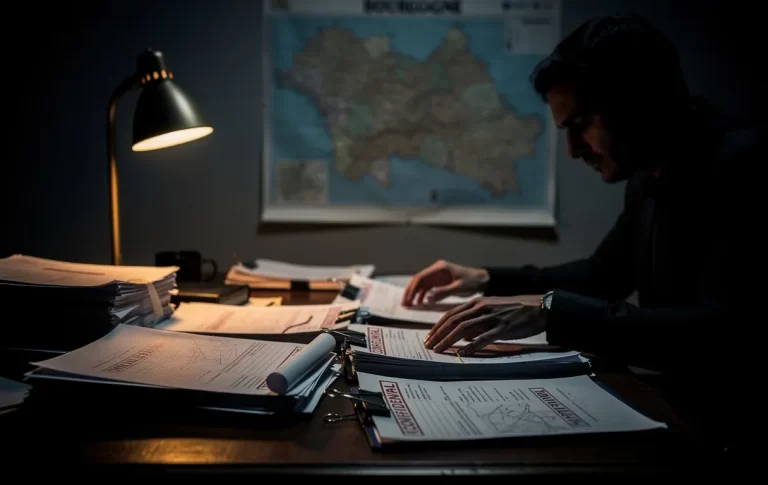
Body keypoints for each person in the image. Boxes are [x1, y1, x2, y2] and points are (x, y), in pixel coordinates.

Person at [403, 14, 758, 374]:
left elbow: (720, 331)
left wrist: (548, 310)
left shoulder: (745, 167)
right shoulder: (649, 174)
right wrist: (486, 278)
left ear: (635, 104)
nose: (573, 150)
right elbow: (603, 277)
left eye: (580, 125)